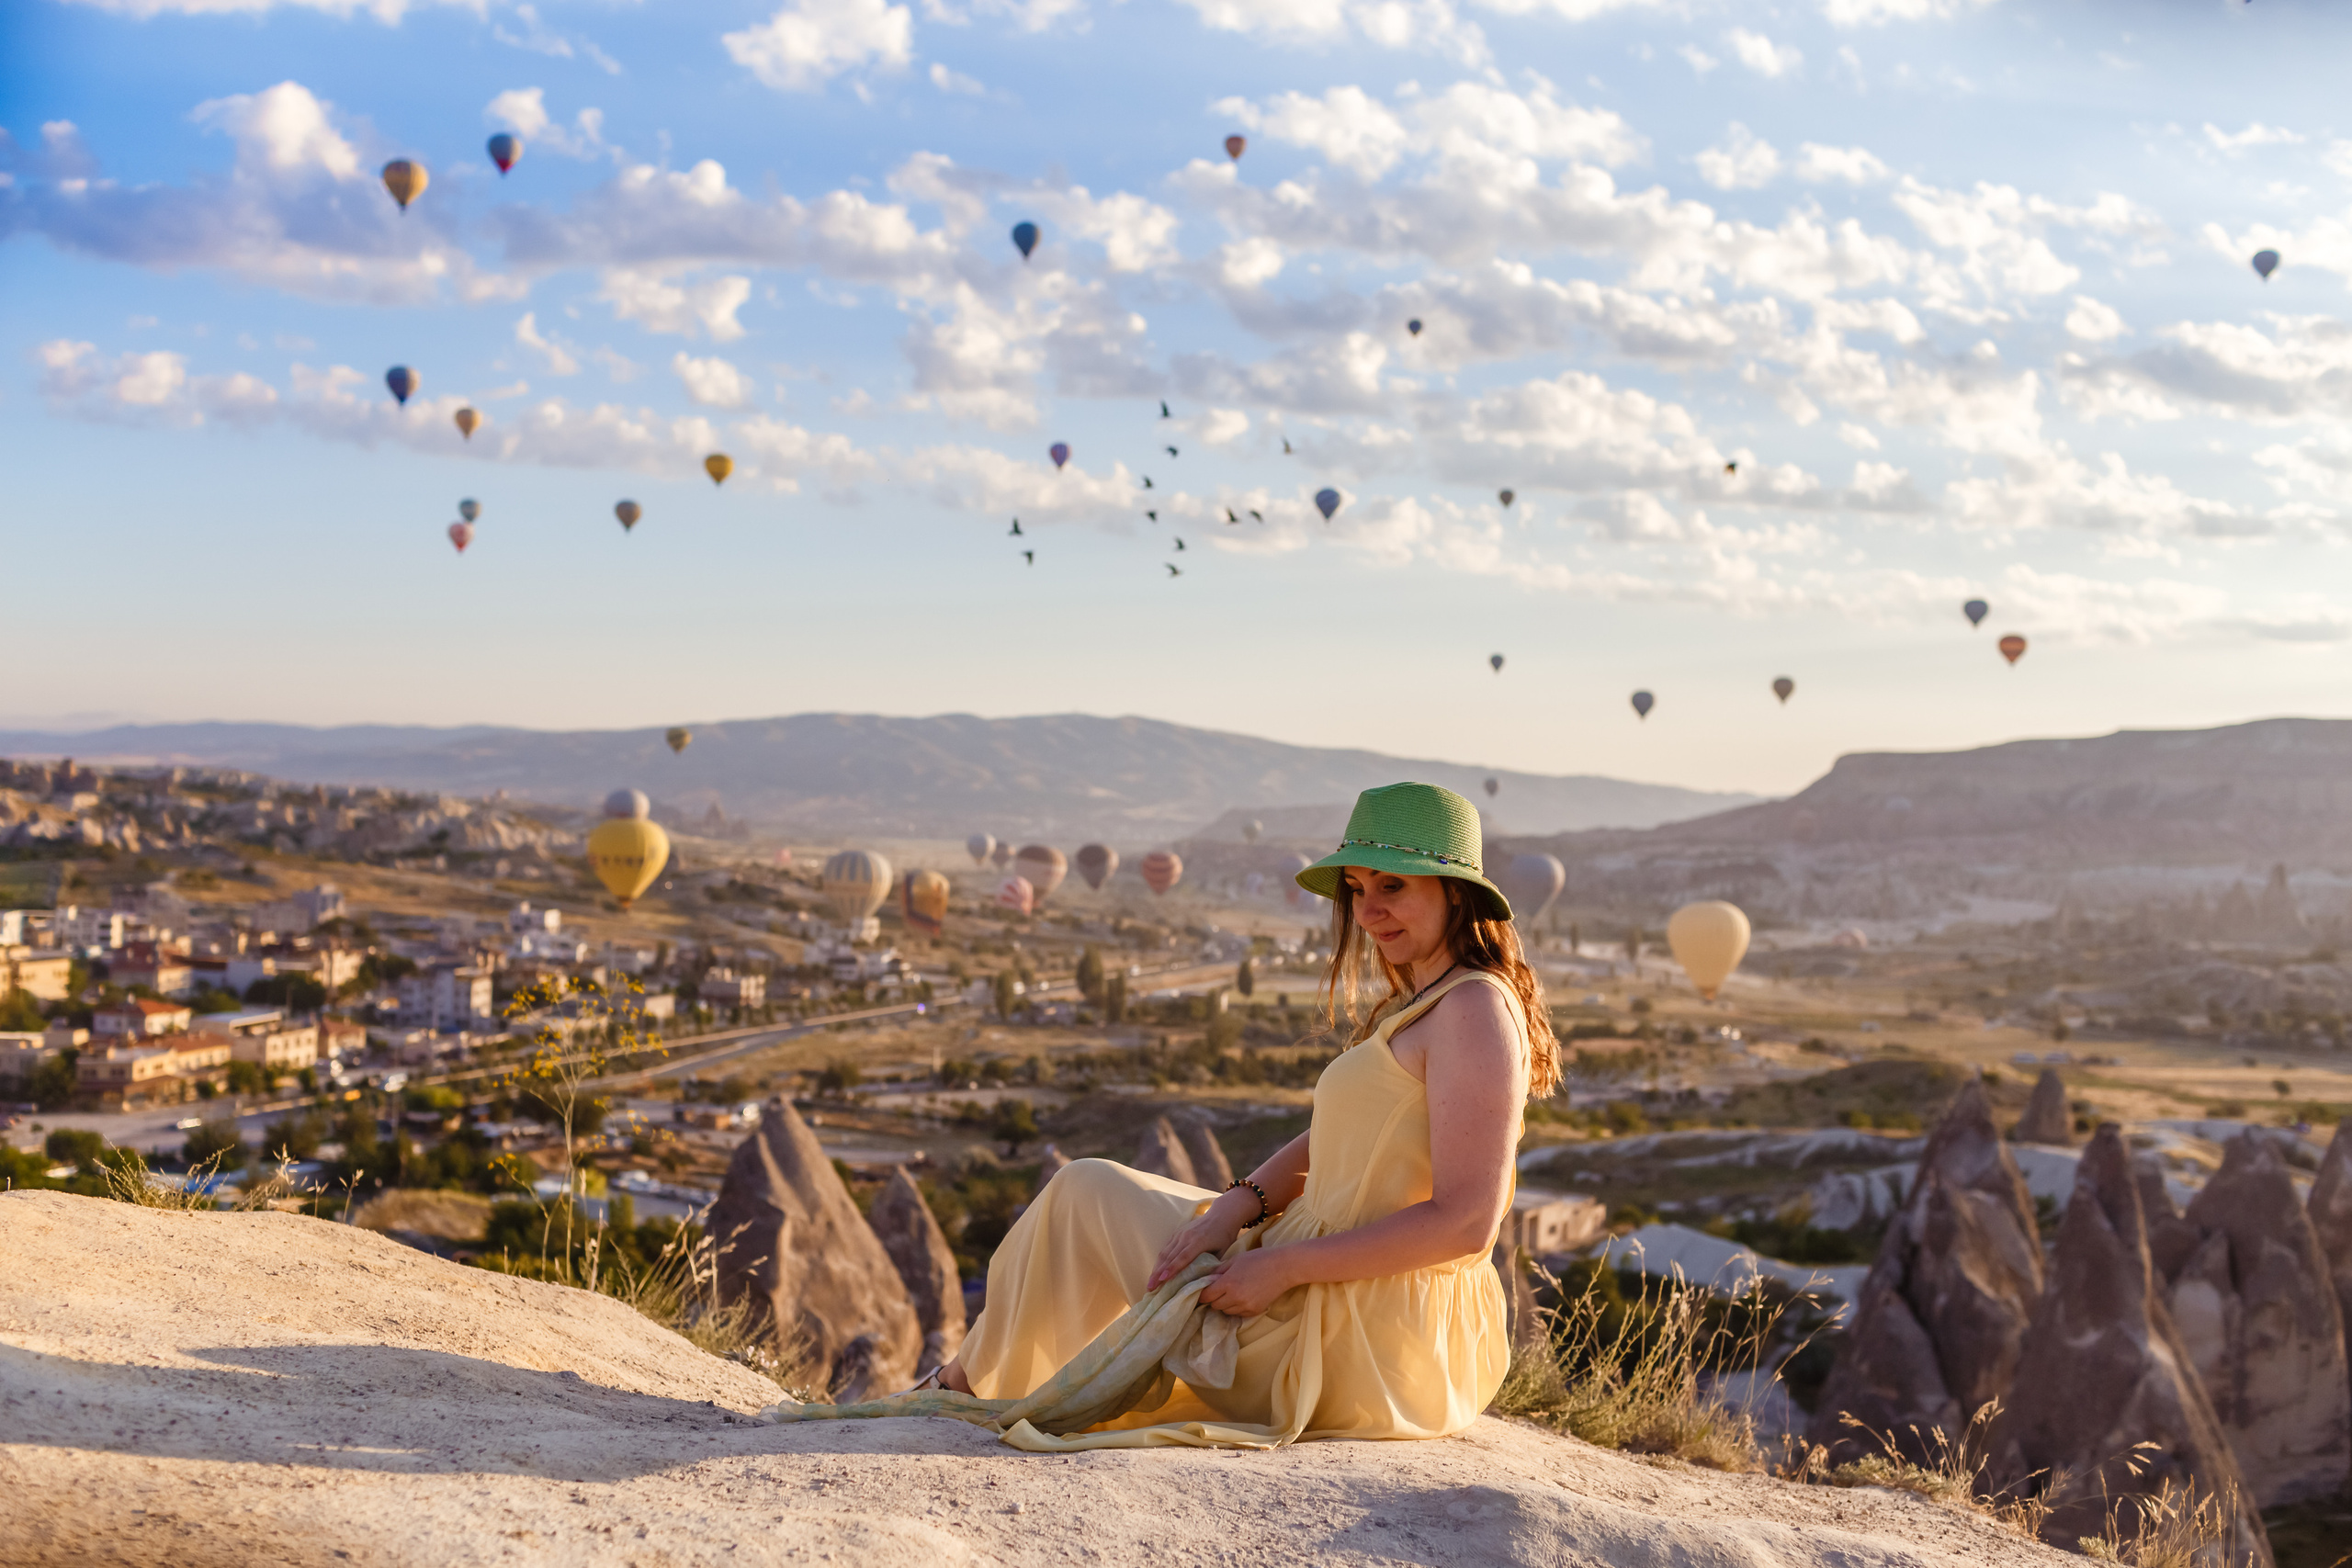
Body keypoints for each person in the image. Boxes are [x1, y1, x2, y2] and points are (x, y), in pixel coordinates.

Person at [933, 781, 1562, 1449]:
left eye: (1392, 886)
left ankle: (961, 1393)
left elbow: (1466, 1223)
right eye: (1355, 888)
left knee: (1082, 1195)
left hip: (1359, 1337)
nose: (1369, 909)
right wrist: (1236, 1206)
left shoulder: (1473, 1011)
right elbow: (1336, 1137)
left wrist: (1280, 1268)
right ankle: (985, 1386)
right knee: (1087, 1186)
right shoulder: (1430, 997)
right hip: (1329, 1286)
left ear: (1455, 892)